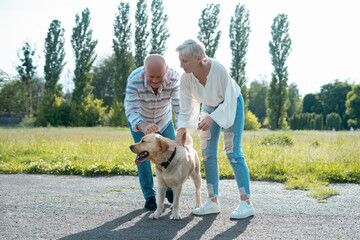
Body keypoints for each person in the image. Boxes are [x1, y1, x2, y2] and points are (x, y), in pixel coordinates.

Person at [174, 39, 254, 219]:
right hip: (209, 108)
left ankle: (246, 203)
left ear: (199, 58)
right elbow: (186, 107)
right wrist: (181, 132)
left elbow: (229, 99)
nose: (181, 65)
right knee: (207, 155)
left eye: (185, 61)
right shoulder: (186, 78)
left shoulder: (218, 69)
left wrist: (213, 118)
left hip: (231, 104)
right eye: (180, 60)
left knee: (233, 152)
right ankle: (212, 201)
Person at [125, 54, 180, 210]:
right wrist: (143, 126)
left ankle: (168, 189)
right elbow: (131, 109)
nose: (155, 80)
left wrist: (182, 132)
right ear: (144, 72)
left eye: (159, 76)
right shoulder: (134, 79)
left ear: (166, 71)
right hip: (140, 120)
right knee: (143, 156)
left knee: (169, 154)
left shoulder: (175, 78)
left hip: (164, 119)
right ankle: (149, 196)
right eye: (151, 77)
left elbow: (179, 108)